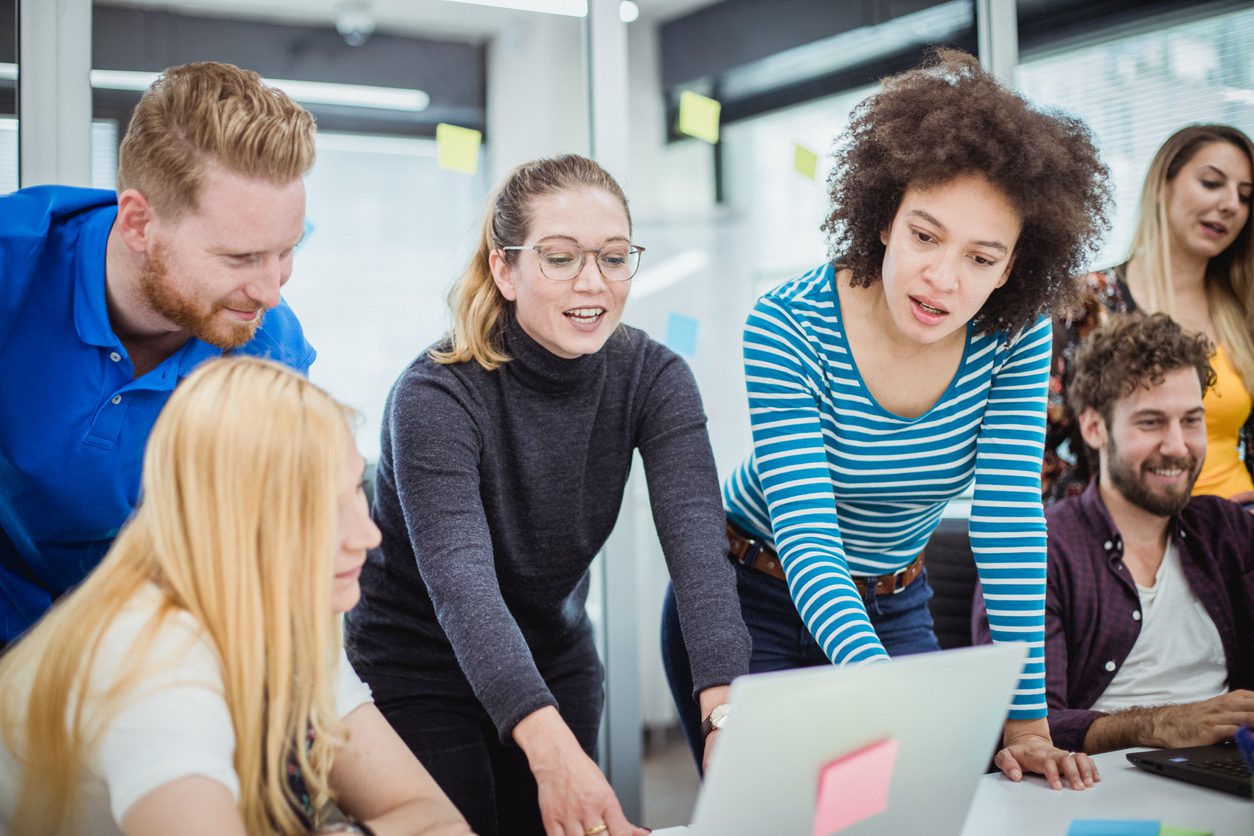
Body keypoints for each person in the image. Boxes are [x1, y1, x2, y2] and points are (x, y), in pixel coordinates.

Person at [660, 48, 1111, 791]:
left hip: (896, 596)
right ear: (883, 219)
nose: (941, 278)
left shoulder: (1016, 335)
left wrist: (1027, 722)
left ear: (1010, 269)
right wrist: (895, 700)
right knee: (781, 810)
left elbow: (1006, 518)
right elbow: (808, 538)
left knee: (916, 801)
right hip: (752, 593)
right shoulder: (787, 326)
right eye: (925, 236)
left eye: (980, 257)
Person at [345, 154, 751, 836]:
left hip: (554, 652)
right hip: (420, 667)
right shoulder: (435, 395)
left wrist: (724, 716)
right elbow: (462, 587)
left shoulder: (654, 377)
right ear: (505, 269)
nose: (593, 283)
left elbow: (700, 556)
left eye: (615, 257)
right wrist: (550, 753)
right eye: (560, 258)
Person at [0, 357, 472, 836]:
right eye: (315, 511)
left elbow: (438, 819)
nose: (367, 536)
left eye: (354, 490)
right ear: (231, 527)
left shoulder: (282, 608)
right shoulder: (152, 663)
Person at [0, 61, 317, 644]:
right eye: (240, 258)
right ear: (139, 222)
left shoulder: (271, 350)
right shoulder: (9, 269)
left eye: (286, 251)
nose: (271, 290)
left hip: (143, 645)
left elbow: (251, 563)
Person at [975, 314, 1254, 754]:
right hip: (1092, 787)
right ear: (1093, 427)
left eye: (1191, 421)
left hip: (1226, 775)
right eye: (1151, 422)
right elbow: (1018, 726)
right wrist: (1164, 724)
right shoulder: (1038, 549)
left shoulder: (1230, 532)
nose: (1178, 447)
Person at [1043, 124, 1254, 505]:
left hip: (1239, 536)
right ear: (1162, 186)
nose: (1231, 205)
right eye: (1211, 183)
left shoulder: (1246, 312)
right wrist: (1087, 528)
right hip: (1127, 547)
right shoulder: (1086, 303)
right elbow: (1032, 449)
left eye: (1245, 196)